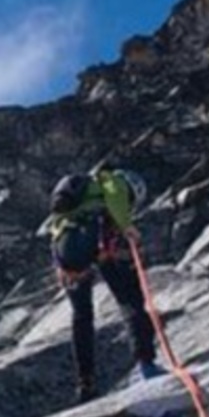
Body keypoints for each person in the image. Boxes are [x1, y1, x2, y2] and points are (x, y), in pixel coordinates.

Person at [48, 167, 165, 403]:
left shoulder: (70, 208)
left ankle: (86, 383)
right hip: (99, 236)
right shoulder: (112, 181)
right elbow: (116, 198)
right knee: (130, 300)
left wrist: (61, 266)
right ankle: (146, 364)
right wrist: (126, 226)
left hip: (65, 249)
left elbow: (55, 231)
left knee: (82, 316)